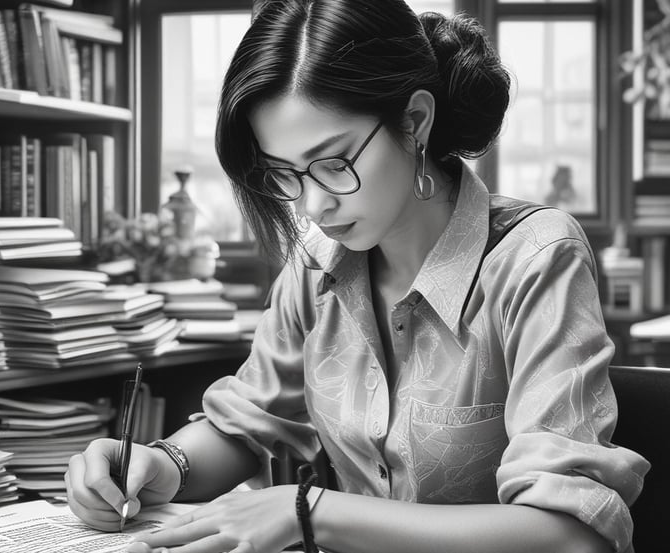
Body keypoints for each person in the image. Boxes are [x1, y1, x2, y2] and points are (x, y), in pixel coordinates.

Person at [65, 2, 650, 552]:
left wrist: (310, 511)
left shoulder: (534, 259)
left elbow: (571, 536)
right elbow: (246, 424)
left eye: (335, 163)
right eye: (285, 175)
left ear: (415, 121)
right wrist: (159, 466)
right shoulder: (316, 264)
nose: (312, 205)